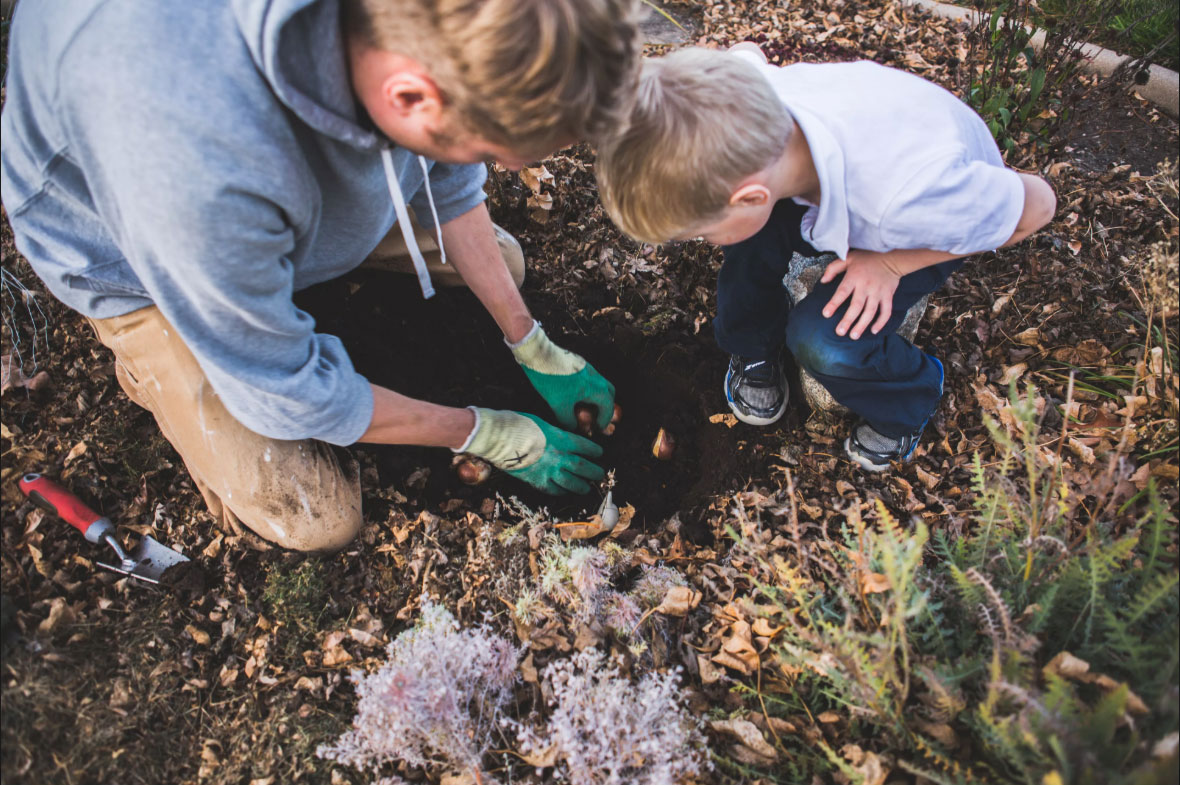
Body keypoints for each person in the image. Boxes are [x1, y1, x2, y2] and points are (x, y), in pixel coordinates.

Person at [1, 0, 641, 550]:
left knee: (503, 267)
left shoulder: (432, 29)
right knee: (314, 515)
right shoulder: (200, 172)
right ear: (410, 97)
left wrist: (529, 340)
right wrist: (482, 432)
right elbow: (291, 392)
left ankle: (286, 275)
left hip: (288, 193)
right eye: (488, 151)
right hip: (137, 262)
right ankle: (160, 351)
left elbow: (445, 171)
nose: (490, 165)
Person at [595, 45, 1057, 472]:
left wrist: (890, 264)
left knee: (827, 343)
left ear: (753, 195)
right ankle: (753, 346)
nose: (704, 241)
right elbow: (747, 55)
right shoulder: (750, 99)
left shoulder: (907, 202)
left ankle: (909, 400)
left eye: (700, 232)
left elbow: (1037, 206)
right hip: (841, 176)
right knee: (747, 241)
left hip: (922, 224)